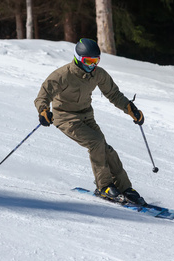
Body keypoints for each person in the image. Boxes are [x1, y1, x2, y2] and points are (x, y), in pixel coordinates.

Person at [34, 38, 146, 205]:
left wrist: (130, 109)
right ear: (78, 58)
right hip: (65, 117)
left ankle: (125, 188)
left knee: (106, 149)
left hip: (86, 115)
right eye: (88, 61)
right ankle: (104, 186)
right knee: (96, 142)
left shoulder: (98, 74)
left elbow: (113, 94)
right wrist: (44, 111)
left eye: (96, 61)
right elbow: (43, 95)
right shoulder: (62, 75)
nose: (92, 65)